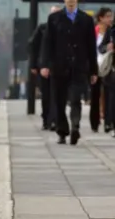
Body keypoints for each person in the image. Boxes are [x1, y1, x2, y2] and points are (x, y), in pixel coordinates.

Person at [41, 0, 98, 145]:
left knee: (75, 98)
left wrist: (93, 70)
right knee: (59, 101)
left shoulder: (86, 19)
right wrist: (45, 65)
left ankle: (75, 126)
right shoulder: (54, 19)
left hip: (79, 66)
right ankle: (62, 131)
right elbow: (47, 43)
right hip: (59, 66)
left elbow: (91, 47)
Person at [29, 5, 60, 131]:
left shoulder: (65, 29)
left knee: (57, 95)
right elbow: (33, 47)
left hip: (59, 66)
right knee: (46, 95)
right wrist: (33, 65)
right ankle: (46, 119)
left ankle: (54, 120)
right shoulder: (42, 28)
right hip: (44, 66)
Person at [92, 8, 113, 133]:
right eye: (108, 16)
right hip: (100, 65)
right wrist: (107, 47)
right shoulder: (96, 31)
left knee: (109, 95)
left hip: (108, 67)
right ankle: (99, 121)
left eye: (111, 16)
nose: (110, 19)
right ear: (101, 18)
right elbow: (99, 47)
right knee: (99, 94)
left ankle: (108, 121)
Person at [98, 10, 115, 137]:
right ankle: (110, 122)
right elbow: (101, 47)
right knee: (111, 97)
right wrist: (107, 47)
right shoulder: (111, 30)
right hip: (112, 69)